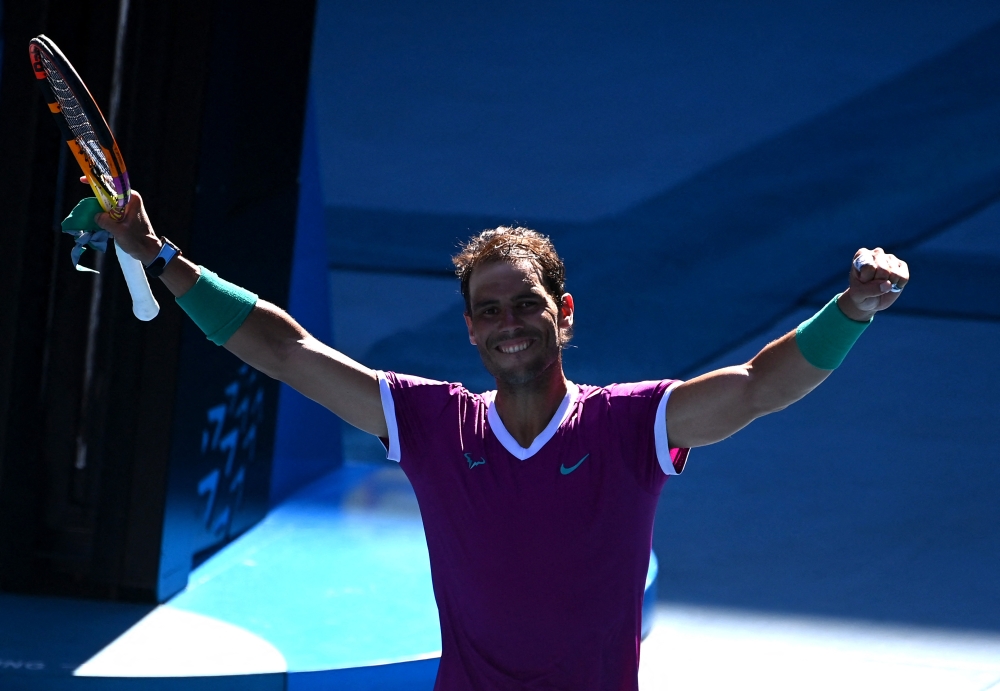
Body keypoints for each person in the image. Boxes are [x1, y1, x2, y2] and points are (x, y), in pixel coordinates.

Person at [97, 191, 909, 691]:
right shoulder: (430, 423)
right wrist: (162, 257)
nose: (508, 323)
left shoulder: (633, 424)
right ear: (469, 328)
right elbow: (285, 349)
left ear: (564, 313)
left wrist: (852, 311)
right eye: (489, 310)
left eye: (525, 304)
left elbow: (762, 385)